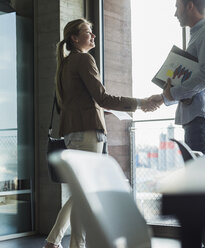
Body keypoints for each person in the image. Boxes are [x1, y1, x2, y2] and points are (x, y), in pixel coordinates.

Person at [43, 18, 159, 248]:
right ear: (75, 38)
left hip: (73, 132)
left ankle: (61, 242)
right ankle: (57, 241)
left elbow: (78, 101)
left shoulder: (66, 64)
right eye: (88, 32)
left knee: (80, 191)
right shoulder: (84, 59)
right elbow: (102, 97)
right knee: (84, 191)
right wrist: (140, 102)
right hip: (87, 134)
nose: (93, 36)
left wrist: (98, 110)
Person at [152, 0, 205, 155]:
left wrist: (172, 94)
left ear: (190, 6)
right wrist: (163, 98)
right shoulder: (200, 35)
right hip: (199, 121)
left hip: (202, 121)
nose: (175, 14)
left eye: (177, 7)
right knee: (201, 176)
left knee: (204, 178)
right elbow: (194, 83)